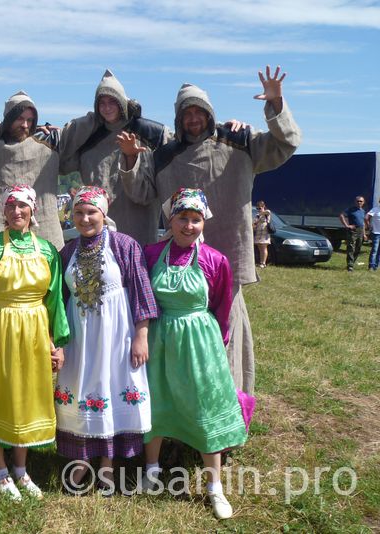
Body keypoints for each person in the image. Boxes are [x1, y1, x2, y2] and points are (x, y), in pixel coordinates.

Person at [119, 66, 302, 395]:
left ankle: (227, 408)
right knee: (180, 341)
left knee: (225, 338)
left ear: (209, 113)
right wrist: (132, 160)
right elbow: (142, 192)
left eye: (198, 112)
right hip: (179, 268)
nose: (193, 119)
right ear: (179, 118)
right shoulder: (163, 157)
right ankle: (182, 414)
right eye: (186, 113)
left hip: (226, 259)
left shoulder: (239, 142)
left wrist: (276, 105)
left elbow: (284, 145)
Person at [141, 188, 247, 520]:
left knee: (205, 404)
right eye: (183, 219)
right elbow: (142, 298)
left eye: (196, 219)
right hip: (160, 337)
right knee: (156, 399)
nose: (189, 226)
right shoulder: (151, 253)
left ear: (204, 222)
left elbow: (221, 305)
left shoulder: (216, 260)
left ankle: (214, 486)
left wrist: (218, 342)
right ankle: (151, 469)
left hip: (200, 340)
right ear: (170, 221)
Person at [0, 184, 70, 501]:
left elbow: (54, 302)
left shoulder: (48, 250)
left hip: (34, 329)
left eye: (23, 206)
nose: (17, 212)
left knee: (27, 395)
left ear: (32, 211)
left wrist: (56, 342)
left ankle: (21, 469)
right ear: (3, 212)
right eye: (11, 206)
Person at [54, 186, 157, 492]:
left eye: (92, 212)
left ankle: (108, 468)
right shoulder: (68, 251)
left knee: (110, 389)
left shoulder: (125, 246)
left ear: (104, 214)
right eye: (79, 212)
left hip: (116, 336)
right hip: (79, 338)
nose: (85, 219)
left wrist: (141, 336)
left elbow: (141, 292)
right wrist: (57, 340)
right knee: (82, 389)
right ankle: (83, 462)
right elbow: (58, 301)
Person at [60, 69, 171, 245]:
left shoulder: (150, 134)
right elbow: (62, 161)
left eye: (112, 101)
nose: (107, 107)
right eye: (102, 103)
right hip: (97, 228)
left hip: (139, 228)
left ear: (122, 102)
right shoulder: (89, 137)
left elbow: (185, 147)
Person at [0, 91, 65, 249]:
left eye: (30, 120)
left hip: (41, 244)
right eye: (19, 119)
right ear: (9, 118)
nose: (25, 125)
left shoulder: (47, 143)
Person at [340, 196, 366, 272]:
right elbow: (341, 215)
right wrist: (347, 225)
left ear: (363, 202)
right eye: (358, 201)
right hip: (353, 231)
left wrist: (364, 234)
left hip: (360, 231)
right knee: (351, 248)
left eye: (361, 201)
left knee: (358, 248)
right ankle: (350, 266)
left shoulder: (363, 211)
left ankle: (352, 263)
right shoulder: (350, 210)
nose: (359, 202)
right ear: (355, 202)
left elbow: (363, 223)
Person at [253, 200, 272, 268]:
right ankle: (261, 262)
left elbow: (267, 212)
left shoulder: (267, 212)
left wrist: (260, 213)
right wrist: (254, 224)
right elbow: (254, 224)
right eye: (257, 208)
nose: (258, 210)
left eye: (259, 208)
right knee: (260, 248)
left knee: (264, 247)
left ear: (263, 206)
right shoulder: (257, 215)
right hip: (258, 233)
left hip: (265, 233)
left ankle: (264, 263)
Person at [365, 197, 380, 271]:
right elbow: (366, 217)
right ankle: (371, 266)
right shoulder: (375, 209)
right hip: (376, 233)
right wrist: (369, 225)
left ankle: (376, 266)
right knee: (374, 250)